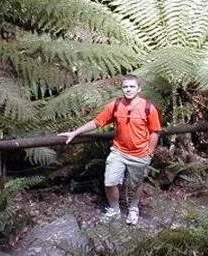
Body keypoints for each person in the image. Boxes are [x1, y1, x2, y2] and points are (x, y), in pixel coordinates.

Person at [59, 75, 161, 225]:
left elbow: (155, 131)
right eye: (125, 87)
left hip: (140, 154)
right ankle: (114, 210)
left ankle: (133, 209)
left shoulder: (148, 108)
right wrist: (75, 132)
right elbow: (97, 122)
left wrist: (150, 153)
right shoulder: (115, 105)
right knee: (110, 182)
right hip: (118, 152)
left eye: (132, 86)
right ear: (122, 89)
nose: (128, 89)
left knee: (136, 184)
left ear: (139, 89)